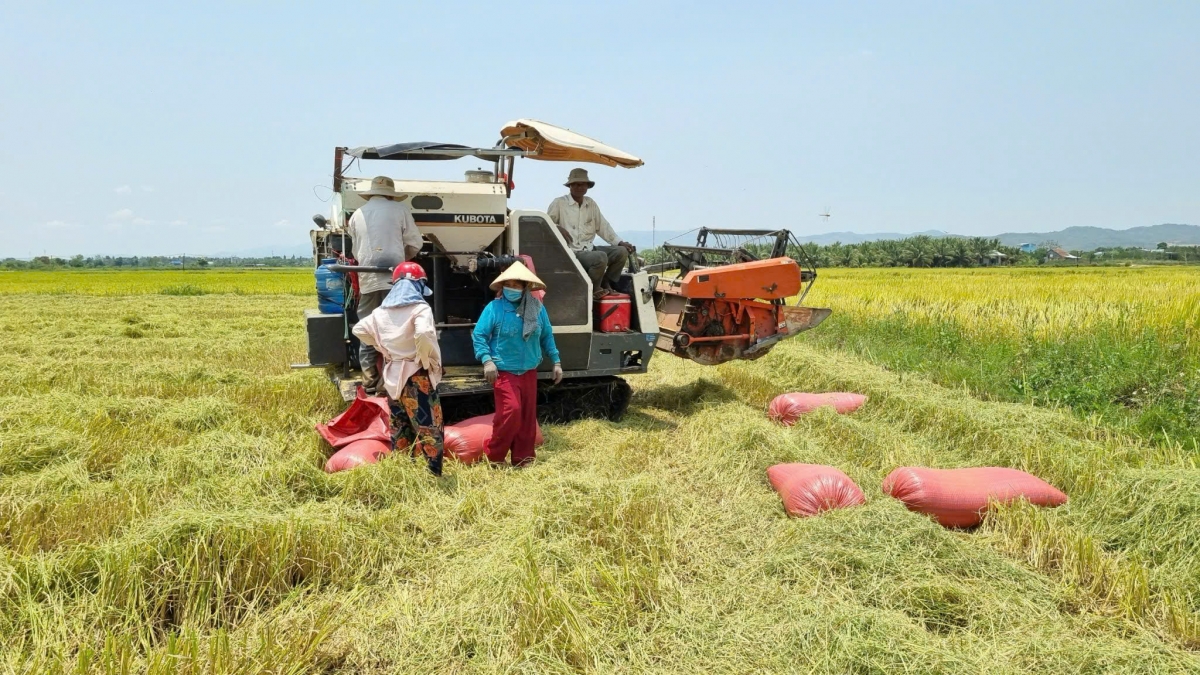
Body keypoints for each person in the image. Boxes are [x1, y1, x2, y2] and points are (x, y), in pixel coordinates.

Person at [352, 262, 445, 476]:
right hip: (417, 376)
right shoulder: (420, 308)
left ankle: (403, 473)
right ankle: (434, 474)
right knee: (429, 426)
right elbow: (423, 334)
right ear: (419, 286)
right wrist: (423, 356)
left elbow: (359, 329)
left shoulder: (379, 312)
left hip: (392, 374)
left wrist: (382, 347)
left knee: (399, 425)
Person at [472, 261, 563, 467]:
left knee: (527, 417)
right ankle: (495, 456)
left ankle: (523, 458)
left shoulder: (537, 309)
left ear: (525, 287)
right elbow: (479, 335)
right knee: (510, 412)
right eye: (508, 284)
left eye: (516, 285)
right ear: (502, 286)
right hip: (504, 371)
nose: (511, 288)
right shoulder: (494, 308)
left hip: (529, 370)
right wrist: (487, 361)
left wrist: (556, 361)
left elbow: (547, 335)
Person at [348, 175, 424, 394]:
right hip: (395, 280)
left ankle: (369, 379)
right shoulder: (400, 210)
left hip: (367, 279)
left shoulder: (356, 215)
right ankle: (391, 382)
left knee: (368, 327)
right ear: (391, 195)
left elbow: (355, 251)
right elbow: (415, 243)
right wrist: (403, 261)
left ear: (371, 193)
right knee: (395, 328)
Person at [546, 168, 637, 300]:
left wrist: (619, 242)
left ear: (587, 186)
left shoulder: (591, 204)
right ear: (570, 186)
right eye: (575, 184)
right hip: (571, 253)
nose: (579, 187)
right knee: (600, 257)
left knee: (622, 252)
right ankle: (592, 288)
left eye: (582, 184)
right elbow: (546, 225)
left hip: (588, 249)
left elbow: (603, 226)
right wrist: (557, 227)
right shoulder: (559, 203)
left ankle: (606, 282)